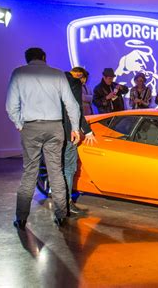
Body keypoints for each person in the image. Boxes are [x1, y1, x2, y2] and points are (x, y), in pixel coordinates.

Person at [5, 47, 80, 229]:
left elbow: (11, 106)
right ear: (44, 57)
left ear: (27, 59)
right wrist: (76, 128)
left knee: (30, 172)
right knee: (56, 170)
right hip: (55, 126)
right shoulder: (56, 74)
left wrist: (20, 124)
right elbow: (71, 104)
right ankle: (61, 215)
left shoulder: (19, 73)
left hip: (31, 126)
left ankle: (21, 218)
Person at [63, 67, 97, 215]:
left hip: (52, 130)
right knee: (69, 168)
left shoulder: (56, 80)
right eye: (83, 81)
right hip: (69, 131)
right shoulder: (75, 83)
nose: (82, 84)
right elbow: (76, 109)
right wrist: (87, 130)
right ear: (80, 76)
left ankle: (59, 200)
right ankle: (67, 202)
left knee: (55, 167)